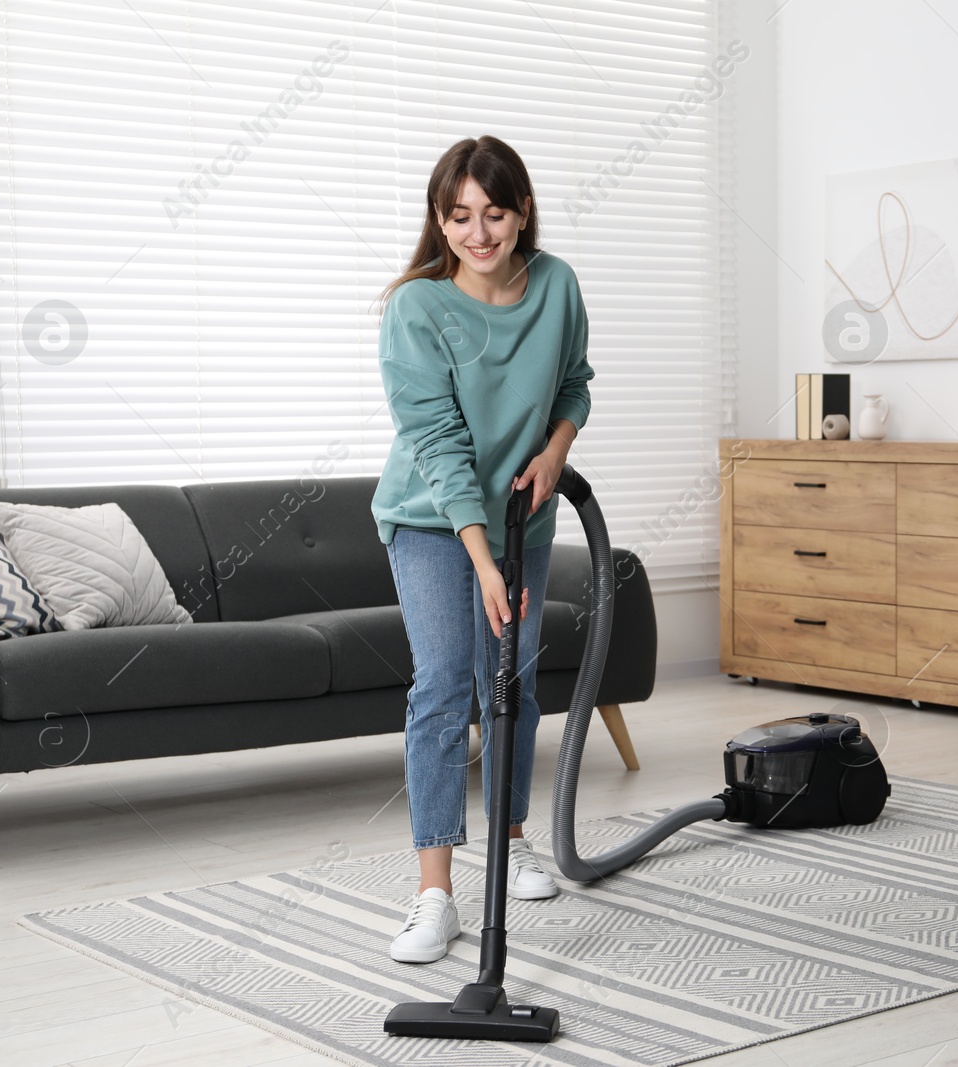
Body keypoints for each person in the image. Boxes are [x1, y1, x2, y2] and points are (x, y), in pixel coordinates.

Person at [371, 135, 594, 964]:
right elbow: (437, 439)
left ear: (521, 210)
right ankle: (435, 893)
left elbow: (574, 382)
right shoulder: (417, 308)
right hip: (433, 518)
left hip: (522, 517)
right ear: (439, 220)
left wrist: (555, 451)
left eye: (493, 213)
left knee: (510, 681)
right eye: (459, 215)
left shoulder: (558, 287)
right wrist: (483, 557)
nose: (478, 232)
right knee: (441, 685)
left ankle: (510, 836)